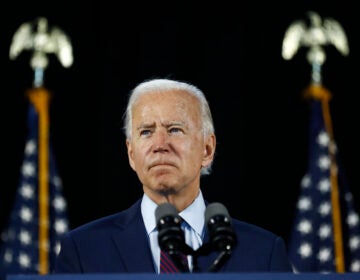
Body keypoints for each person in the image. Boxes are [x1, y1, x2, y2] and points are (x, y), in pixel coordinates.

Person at [53, 78, 293, 273]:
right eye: (146, 132)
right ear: (131, 154)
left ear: (207, 150)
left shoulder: (263, 252)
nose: (160, 144)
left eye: (175, 130)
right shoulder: (84, 250)